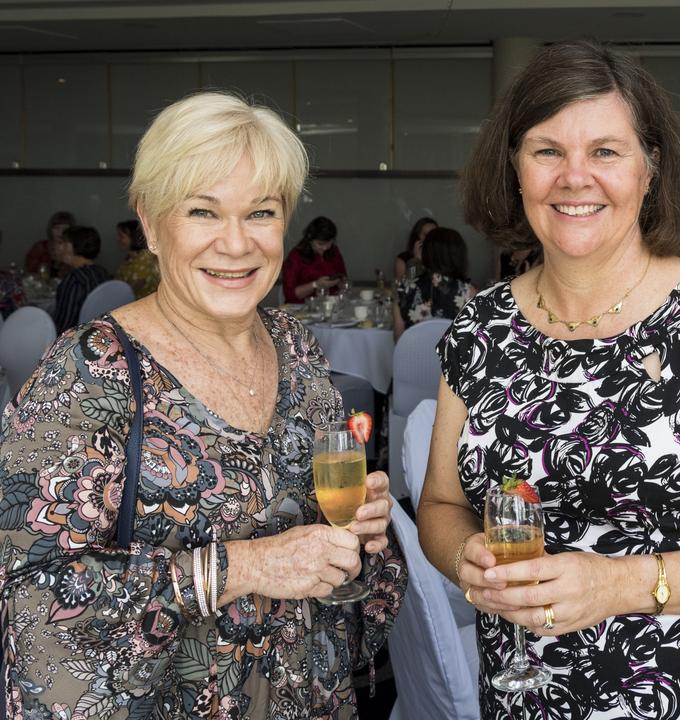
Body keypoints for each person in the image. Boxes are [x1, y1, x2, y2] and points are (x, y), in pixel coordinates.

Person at [420, 39, 680, 719]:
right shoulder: (479, 328)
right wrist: (466, 556)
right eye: (547, 150)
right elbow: (441, 506)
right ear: (515, 169)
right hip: (524, 699)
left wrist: (619, 584)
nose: (574, 177)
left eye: (605, 152)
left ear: (650, 170)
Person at [0, 91, 404, 719]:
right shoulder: (88, 371)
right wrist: (241, 566)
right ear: (151, 220)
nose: (237, 244)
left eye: (262, 213)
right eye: (204, 212)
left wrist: (358, 529)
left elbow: (319, 515)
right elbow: (28, 592)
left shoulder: (295, 346)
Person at [392, 226, 476, 340]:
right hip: (451, 357)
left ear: (426, 253)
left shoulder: (404, 289)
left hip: (413, 356)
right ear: (459, 256)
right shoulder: (468, 292)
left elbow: (398, 340)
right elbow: (473, 340)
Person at [51, 224, 112, 332]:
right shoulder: (102, 272)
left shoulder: (74, 280)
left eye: (63, 243)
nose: (59, 248)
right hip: (101, 335)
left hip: (75, 340)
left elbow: (63, 325)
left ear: (71, 248)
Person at [282, 216, 347, 303]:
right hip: (302, 308)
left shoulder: (333, 251)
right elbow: (290, 295)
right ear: (310, 238)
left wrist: (340, 282)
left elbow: (343, 277)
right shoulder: (296, 256)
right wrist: (316, 284)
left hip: (329, 306)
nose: (325, 248)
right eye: (320, 244)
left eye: (329, 243)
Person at [115, 218, 161, 296]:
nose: (118, 239)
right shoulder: (130, 257)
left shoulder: (144, 258)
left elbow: (135, 287)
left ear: (134, 237)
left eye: (121, 236)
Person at [25, 209, 74, 277]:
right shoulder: (40, 247)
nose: (60, 232)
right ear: (50, 229)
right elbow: (30, 270)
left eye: (64, 229)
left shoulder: (75, 249)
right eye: (56, 228)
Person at [395, 216, 437, 281]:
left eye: (434, 234)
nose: (430, 238)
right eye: (426, 234)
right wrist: (416, 260)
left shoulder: (442, 257)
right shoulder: (403, 259)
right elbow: (404, 285)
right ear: (417, 237)